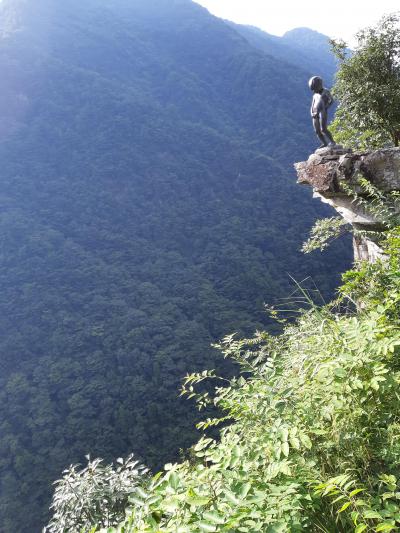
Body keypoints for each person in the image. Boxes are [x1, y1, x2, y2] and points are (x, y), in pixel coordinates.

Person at [309, 76, 336, 148]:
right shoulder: (315, 94)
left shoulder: (326, 91)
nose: (314, 90)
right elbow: (312, 104)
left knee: (323, 129)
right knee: (317, 131)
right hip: (314, 113)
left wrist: (327, 107)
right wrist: (312, 113)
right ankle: (324, 143)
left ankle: (332, 142)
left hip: (322, 112)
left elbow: (331, 100)